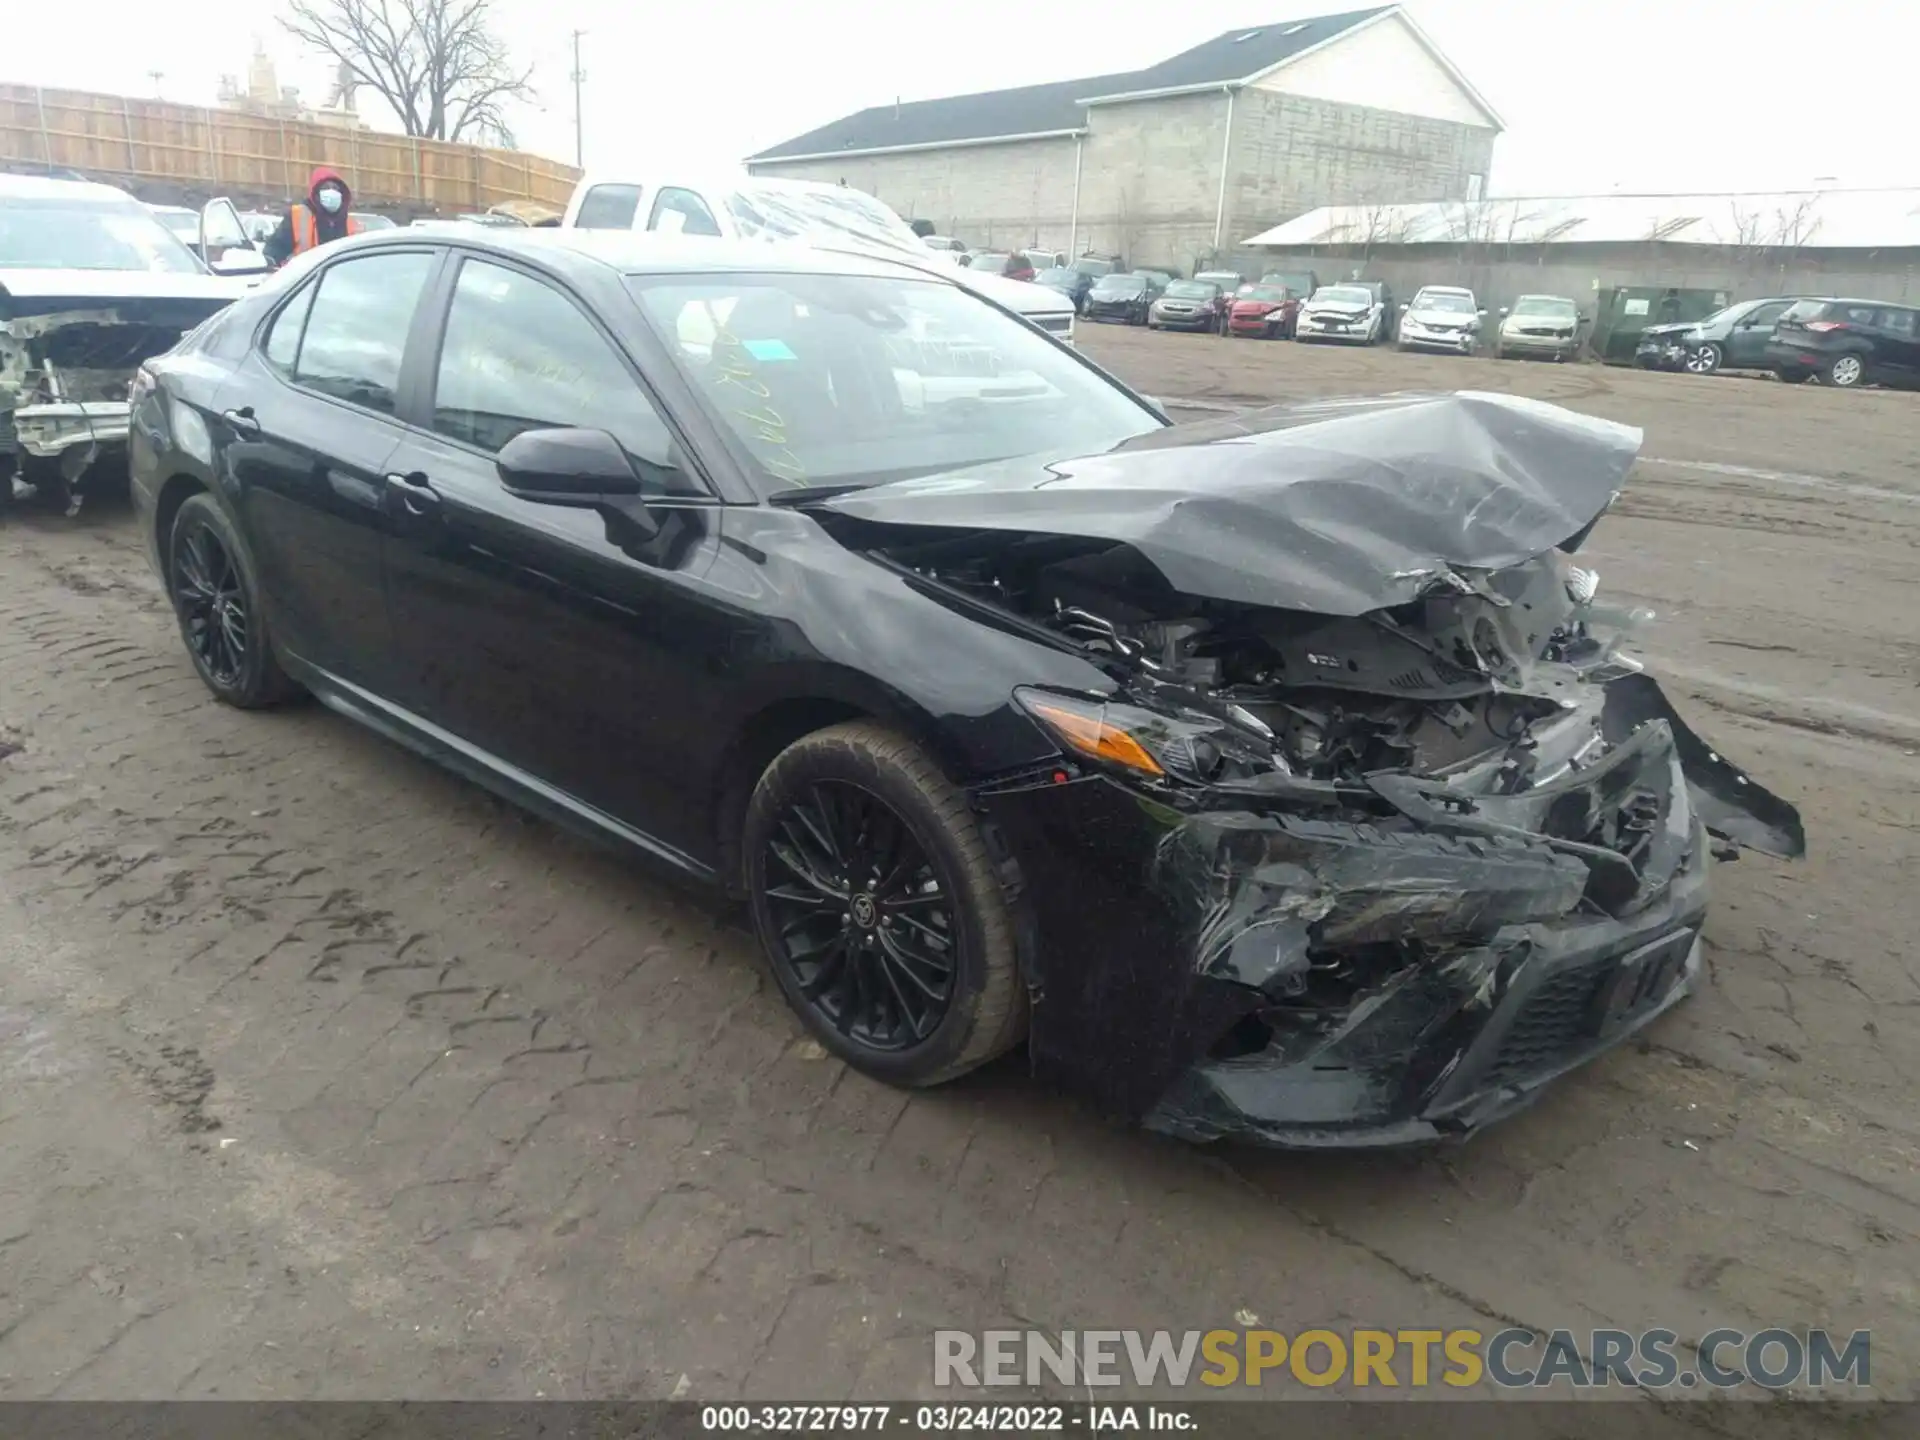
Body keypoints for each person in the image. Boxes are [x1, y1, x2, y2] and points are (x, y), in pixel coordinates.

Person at [263, 167, 361, 266]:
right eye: (325, 187)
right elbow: (274, 250)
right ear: (316, 193)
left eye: (335, 188)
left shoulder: (350, 223)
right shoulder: (298, 216)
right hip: (306, 277)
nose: (331, 191)